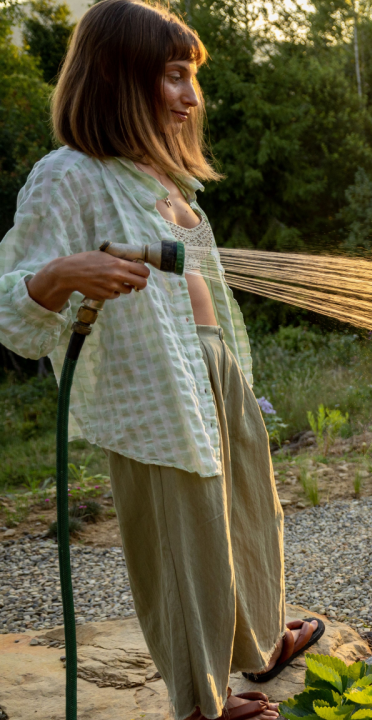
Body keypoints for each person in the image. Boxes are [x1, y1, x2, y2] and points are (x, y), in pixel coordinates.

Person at [0, 2, 320, 718]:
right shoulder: (69, 175)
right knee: (185, 540)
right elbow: (9, 309)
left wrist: (229, 367)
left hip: (210, 365)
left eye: (191, 78)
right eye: (175, 76)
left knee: (245, 514)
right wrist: (60, 276)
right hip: (152, 388)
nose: (190, 96)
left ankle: (259, 646)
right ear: (118, 78)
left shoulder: (161, 178)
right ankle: (200, 702)